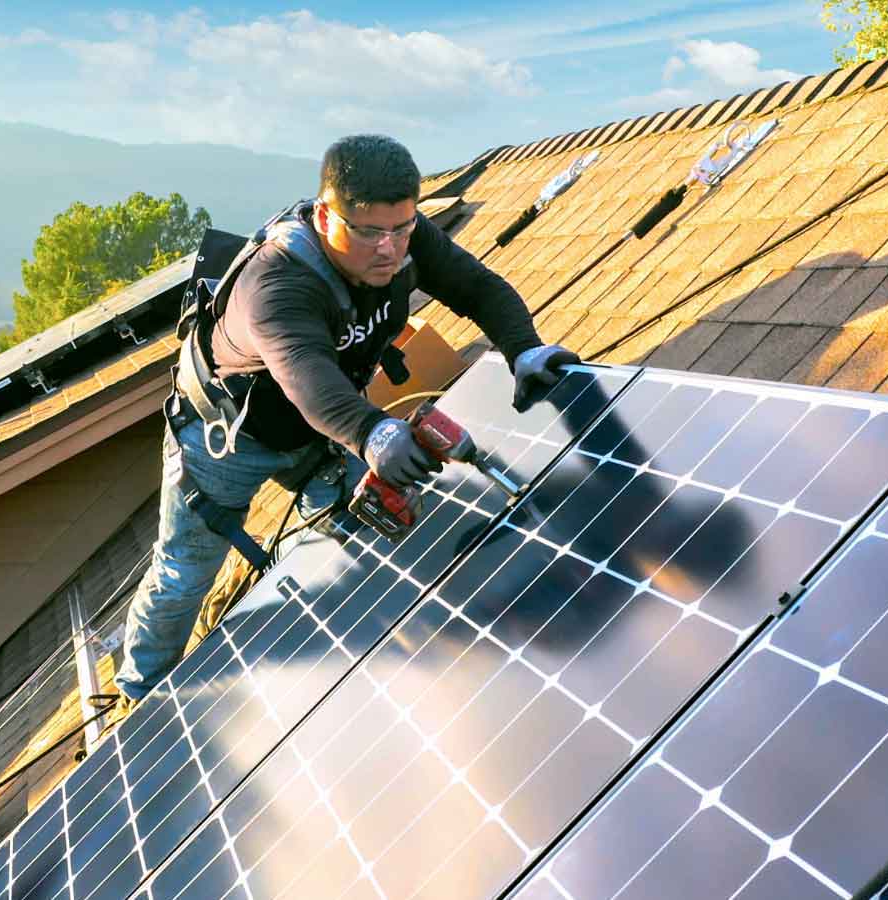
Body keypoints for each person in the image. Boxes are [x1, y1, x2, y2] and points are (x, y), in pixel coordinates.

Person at [113, 134, 578, 708]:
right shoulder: (278, 280)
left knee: (357, 537)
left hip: (321, 430)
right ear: (327, 214)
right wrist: (372, 432)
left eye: (402, 228)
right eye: (368, 233)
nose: (388, 249)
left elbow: (477, 288)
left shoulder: (406, 237)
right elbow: (309, 377)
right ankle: (139, 698)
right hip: (229, 438)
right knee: (184, 574)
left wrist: (524, 350)